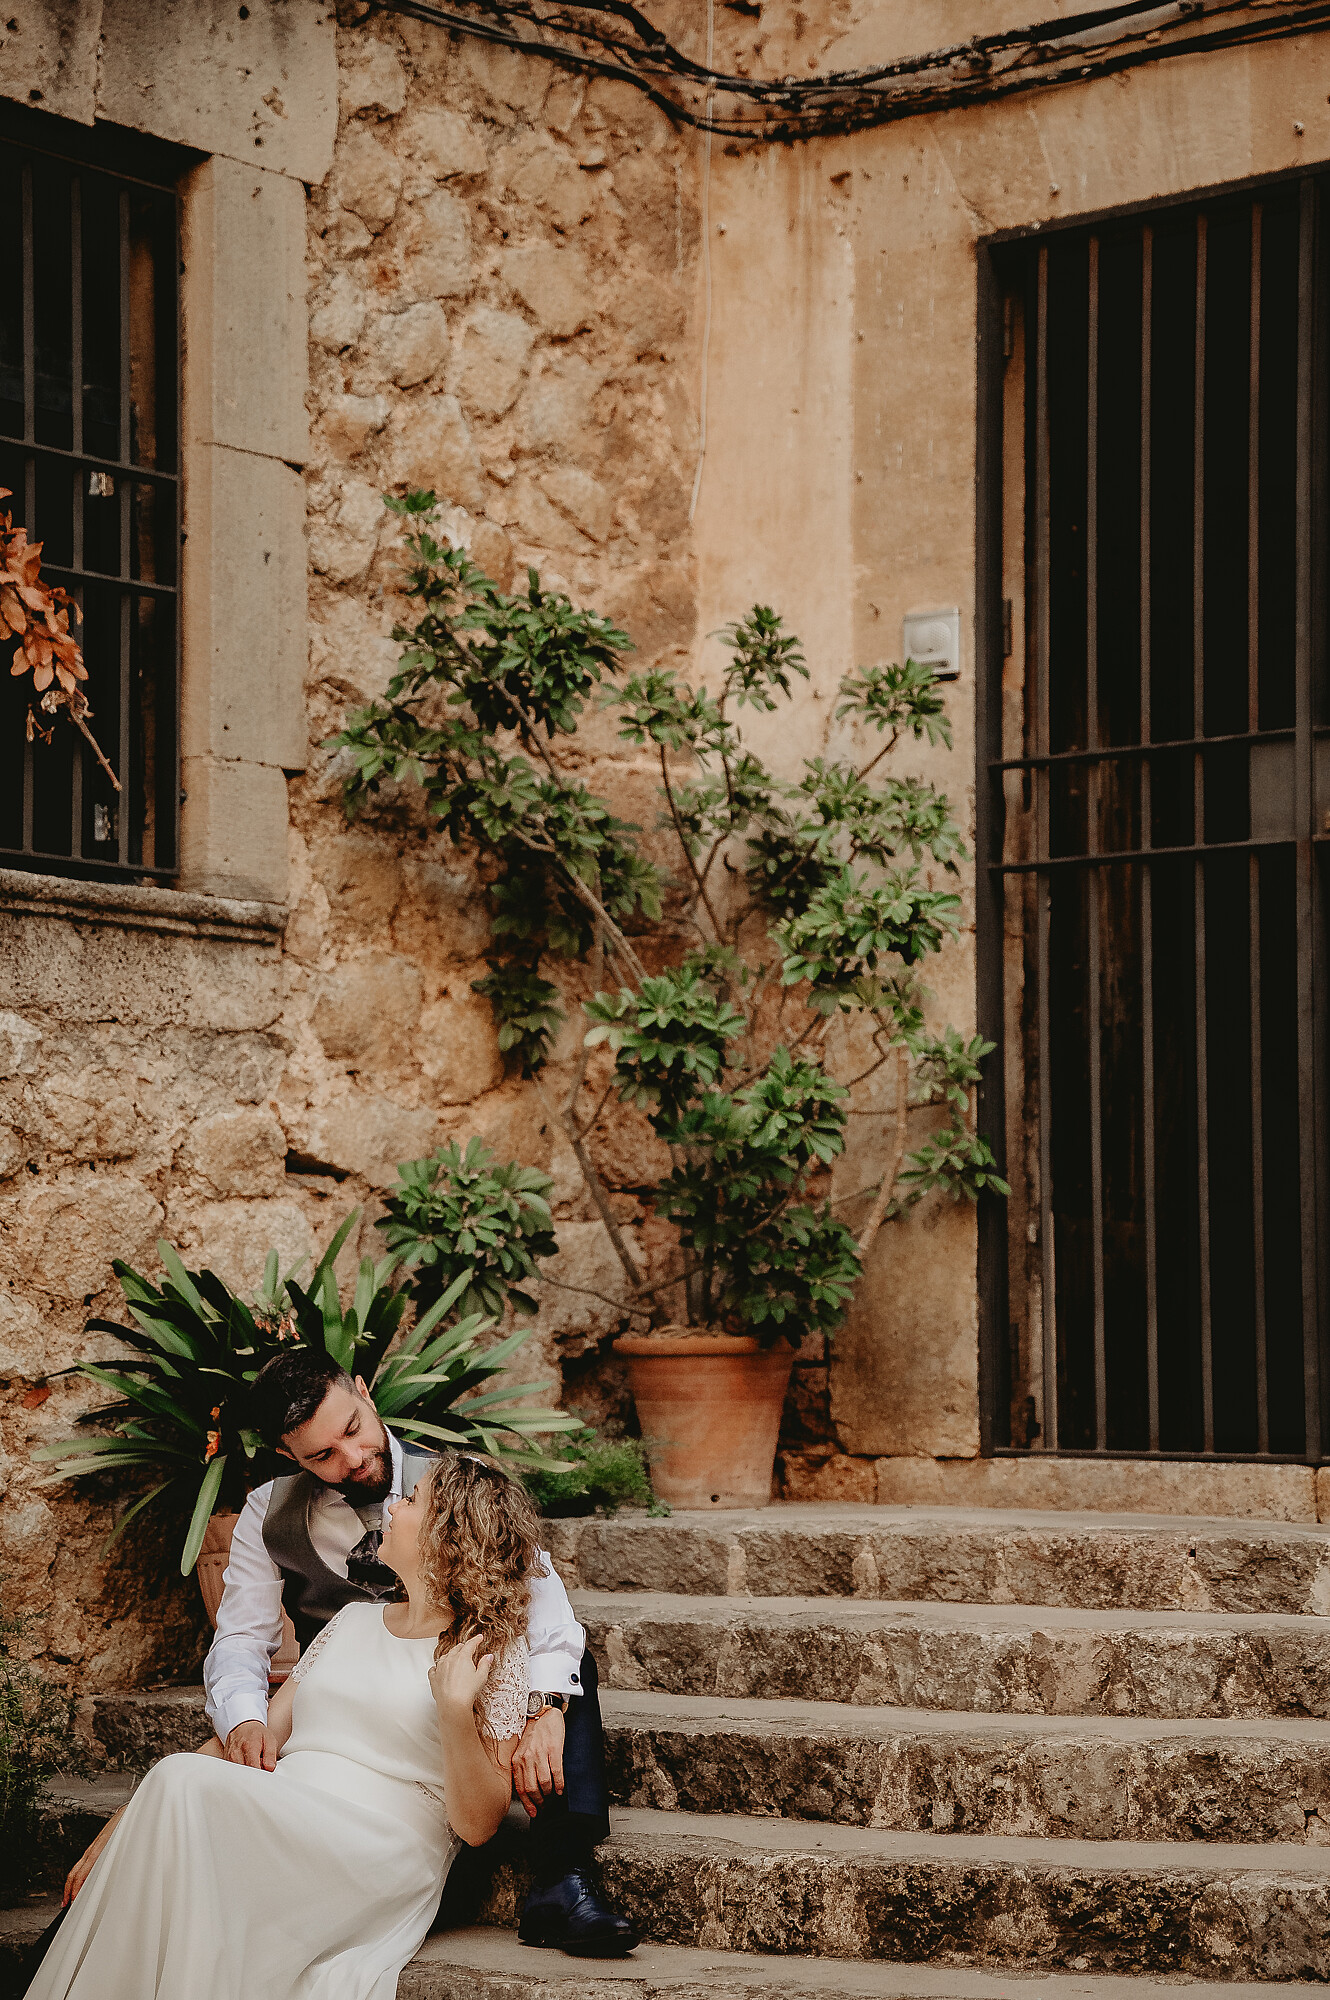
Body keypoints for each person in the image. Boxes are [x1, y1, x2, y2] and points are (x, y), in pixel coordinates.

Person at [27, 1453, 546, 2000]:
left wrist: (453, 1712)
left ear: (449, 1537)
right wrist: (115, 1833)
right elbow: (255, 1737)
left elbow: (479, 1824)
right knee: (178, 1779)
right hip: (286, 1808)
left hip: (381, 1843)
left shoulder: (488, 1652)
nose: (395, 1506)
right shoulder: (352, 1621)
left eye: (415, 1501)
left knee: (182, 1787)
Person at [207, 1349, 636, 1957]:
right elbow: (241, 1639)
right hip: (347, 1687)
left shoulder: (454, 1484)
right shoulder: (266, 1515)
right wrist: (245, 1718)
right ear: (288, 1456)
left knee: (572, 1667)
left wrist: (546, 1708)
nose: (353, 1460)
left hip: (452, 1687)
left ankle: (564, 1871)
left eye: (353, 1430)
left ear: (364, 1392)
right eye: (322, 1456)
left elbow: (545, 1609)